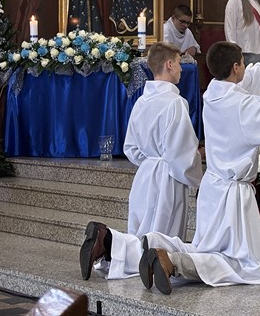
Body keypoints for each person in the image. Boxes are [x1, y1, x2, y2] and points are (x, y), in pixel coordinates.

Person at [137, 41, 260, 294]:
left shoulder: (212, 93)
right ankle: (173, 261)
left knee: (206, 247)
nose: (245, 67)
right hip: (233, 197)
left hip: (212, 188)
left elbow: (251, 78)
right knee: (244, 264)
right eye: (242, 62)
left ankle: (154, 243)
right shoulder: (243, 106)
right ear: (235, 67)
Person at [79, 42, 203, 281]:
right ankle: (108, 241)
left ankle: (107, 244)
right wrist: (198, 177)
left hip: (145, 175)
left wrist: (150, 161)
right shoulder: (175, 103)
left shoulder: (141, 102)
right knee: (159, 240)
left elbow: (131, 147)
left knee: (141, 231)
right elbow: (181, 153)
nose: (181, 69)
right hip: (167, 177)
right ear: (169, 64)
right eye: (179, 64)